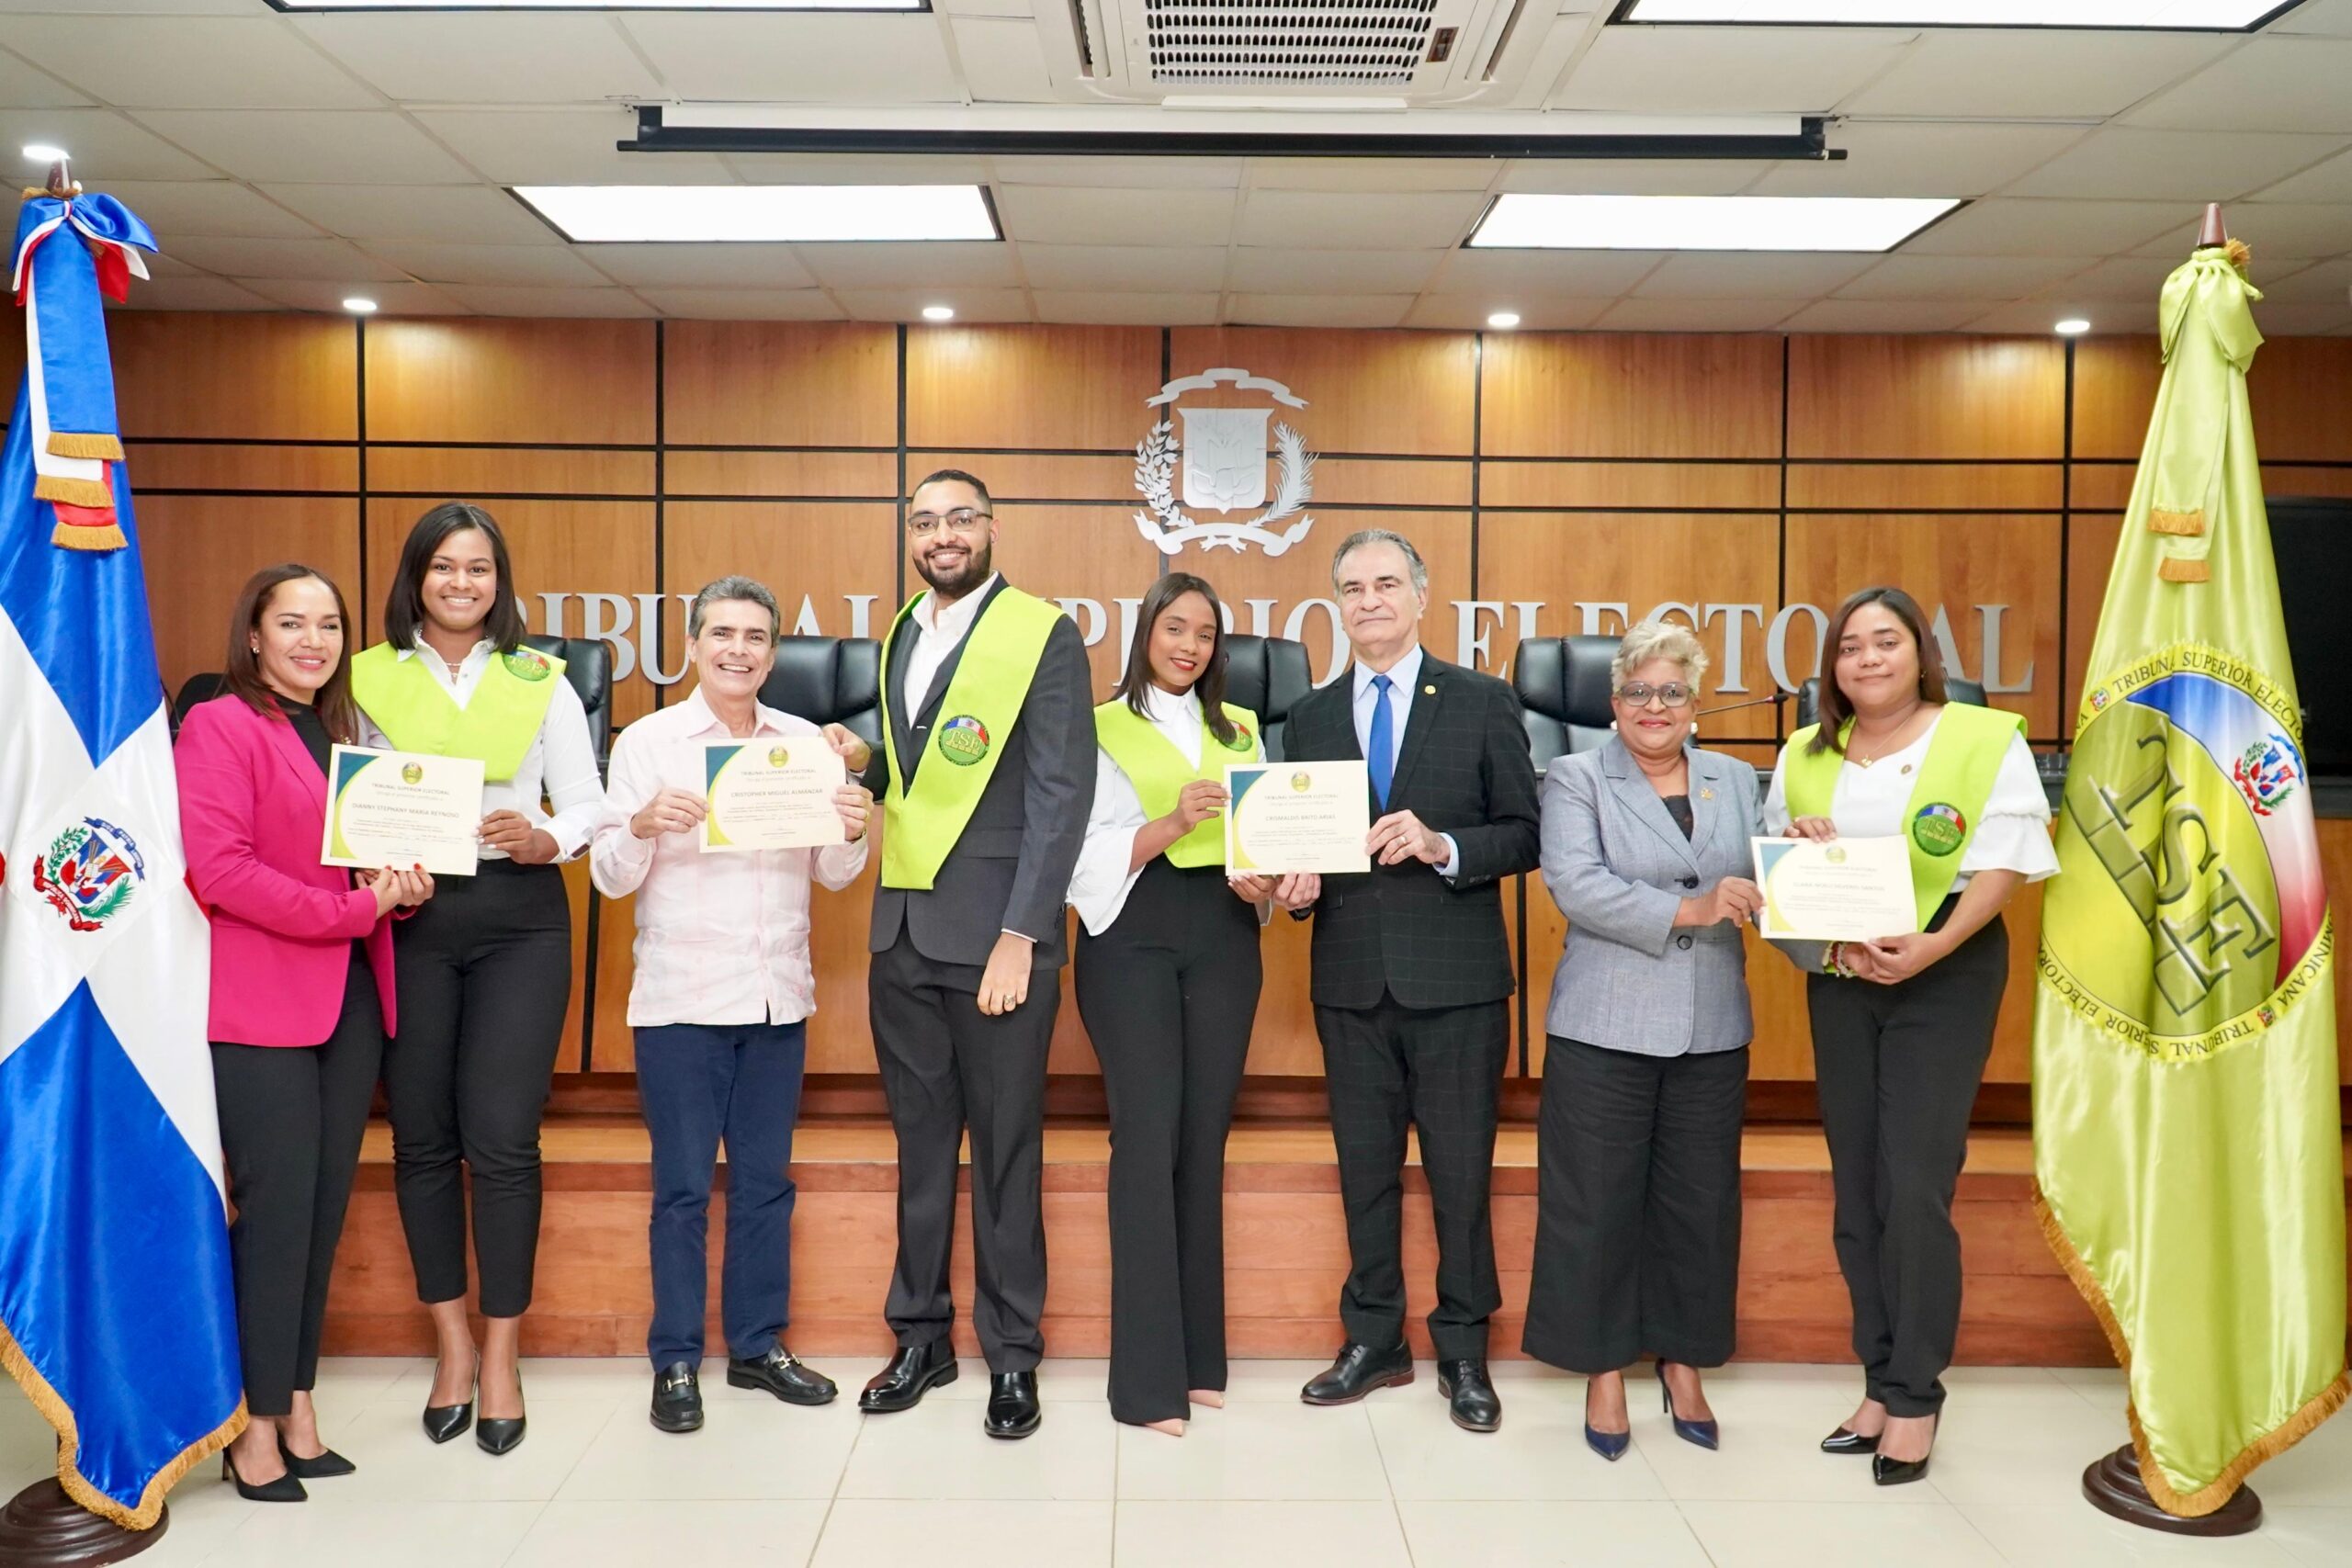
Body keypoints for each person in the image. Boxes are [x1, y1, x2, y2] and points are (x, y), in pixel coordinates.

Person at [1766, 586, 2055, 1486]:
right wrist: (1802, 836)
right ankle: (1877, 1381)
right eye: (1848, 647)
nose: (1866, 659)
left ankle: (1917, 1396)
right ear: (1832, 669)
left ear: (1917, 652)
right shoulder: (1807, 751)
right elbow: (1780, 859)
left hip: (1946, 974)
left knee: (1915, 1186)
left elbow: (2005, 859)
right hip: (1846, 978)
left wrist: (1930, 945)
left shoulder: (1977, 738)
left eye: (1883, 642)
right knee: (1857, 1190)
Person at [590, 576, 875, 1434]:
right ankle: (675, 1357)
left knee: (764, 1186)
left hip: (775, 996)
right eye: (723, 633)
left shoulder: (804, 743)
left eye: (756, 636)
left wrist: (853, 826)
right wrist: (638, 826)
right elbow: (607, 876)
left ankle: (756, 1345)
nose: (739, 650)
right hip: (680, 998)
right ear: (694, 644)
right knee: (680, 1189)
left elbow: (832, 873)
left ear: (774, 650)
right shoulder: (649, 742)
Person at [350, 502, 605, 1456]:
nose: (463, 585)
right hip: (408, 919)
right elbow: (343, 801)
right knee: (421, 1139)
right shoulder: (366, 678)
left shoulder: (541, 680)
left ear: (501, 583)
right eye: (445, 568)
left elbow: (587, 801)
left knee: (503, 1141)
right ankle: (449, 1344)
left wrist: (549, 837)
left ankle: (502, 1354)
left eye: (480, 570)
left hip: (520, 919)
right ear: (416, 576)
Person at [176, 565, 434, 1502]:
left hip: (348, 1002)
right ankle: (251, 1427)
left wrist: (398, 890)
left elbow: (355, 872)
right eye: (292, 623)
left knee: (321, 1218)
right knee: (277, 1217)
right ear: (254, 633)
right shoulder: (219, 724)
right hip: (260, 1007)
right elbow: (220, 871)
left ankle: (298, 1405)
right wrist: (355, 911)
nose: (313, 641)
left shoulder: (342, 735)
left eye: (328, 625)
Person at [1278, 528, 1542, 1434]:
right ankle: (1373, 1339)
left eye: (1386, 584)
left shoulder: (1480, 700)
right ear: (1336, 605)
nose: (1369, 601)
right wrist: (1293, 885)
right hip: (1349, 982)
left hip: (1459, 987)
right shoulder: (1307, 717)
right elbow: (1293, 850)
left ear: (1421, 597)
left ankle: (1464, 1349)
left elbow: (1524, 831)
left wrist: (1444, 846)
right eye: (1351, 588)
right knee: (1365, 1173)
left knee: (1462, 1175)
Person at [855, 469, 1094, 1440]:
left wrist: (1021, 935)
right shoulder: (903, 630)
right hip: (901, 933)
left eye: (959, 519)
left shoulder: (1043, 633)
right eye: (924, 521)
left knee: (1003, 1153)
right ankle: (919, 1336)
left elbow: (1059, 794)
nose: (942, 535)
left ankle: (1010, 1354)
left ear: (991, 528)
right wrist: (854, 759)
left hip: (998, 943)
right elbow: (914, 772)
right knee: (920, 1153)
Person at [1520, 621, 1763, 1461]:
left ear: (1695, 703)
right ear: (1612, 701)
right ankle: (1602, 1369)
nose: (1653, 707)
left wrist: (1804, 856)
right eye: (1636, 692)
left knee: (1700, 1203)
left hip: (1713, 1024)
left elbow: (1764, 876)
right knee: (1594, 1202)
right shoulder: (1575, 775)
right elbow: (1578, 886)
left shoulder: (1738, 779)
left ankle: (1684, 1358)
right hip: (1604, 1021)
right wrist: (1693, 909)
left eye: (1672, 692)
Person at [1068, 572, 1305, 1437]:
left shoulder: (1240, 728)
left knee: (1202, 1140)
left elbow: (1268, 840)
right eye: (1176, 628)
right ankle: (1145, 1385)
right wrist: (1169, 824)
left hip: (1223, 935)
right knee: (1147, 1139)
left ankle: (1201, 1360)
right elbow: (1075, 855)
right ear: (1146, 633)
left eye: (1206, 634)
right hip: (1130, 932)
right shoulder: (1094, 725)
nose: (1190, 646)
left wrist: (1266, 876)